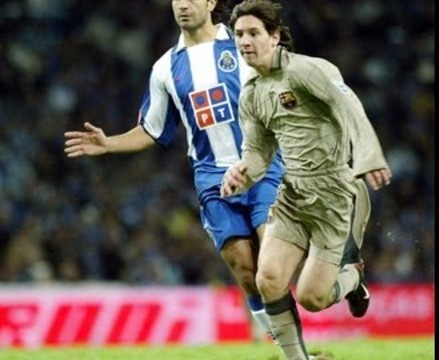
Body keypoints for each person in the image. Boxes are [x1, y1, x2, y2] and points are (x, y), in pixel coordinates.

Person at [64, 0, 285, 344]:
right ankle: (288, 347)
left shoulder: (242, 44)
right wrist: (109, 144)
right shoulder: (166, 68)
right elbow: (153, 130)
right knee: (245, 269)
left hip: (263, 168)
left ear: (211, 2)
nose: (182, 4)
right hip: (213, 178)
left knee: (272, 261)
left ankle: (332, 275)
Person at [222, 1, 392, 359]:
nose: (244, 41)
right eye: (239, 34)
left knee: (313, 298)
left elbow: (350, 105)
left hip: (334, 195)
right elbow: (258, 155)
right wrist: (241, 173)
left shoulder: (306, 71)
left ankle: (353, 278)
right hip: (292, 196)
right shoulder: (251, 93)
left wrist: (368, 155)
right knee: (267, 280)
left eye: (254, 33)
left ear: (276, 36)